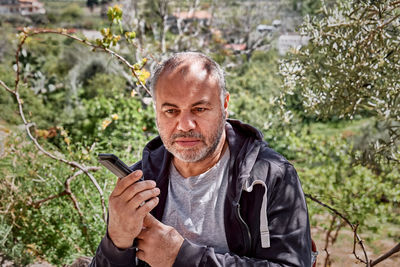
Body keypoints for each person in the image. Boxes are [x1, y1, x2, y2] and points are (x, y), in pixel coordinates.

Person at [90, 52, 312, 267]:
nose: (185, 124)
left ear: (224, 105)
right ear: (156, 111)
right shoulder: (140, 185)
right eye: (171, 111)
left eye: (199, 109)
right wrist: (116, 243)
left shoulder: (270, 177)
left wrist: (182, 258)